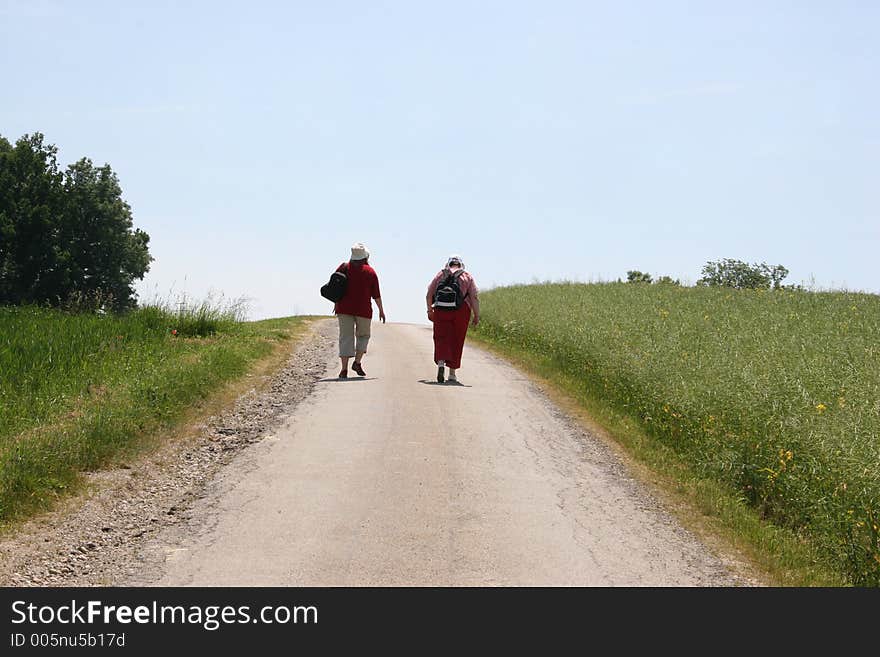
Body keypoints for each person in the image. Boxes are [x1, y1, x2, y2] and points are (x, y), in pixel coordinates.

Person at [334, 242, 385, 379]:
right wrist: (381, 310)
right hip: (363, 310)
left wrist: (336, 303)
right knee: (363, 336)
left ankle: (344, 370)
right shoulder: (370, 272)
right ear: (365, 257)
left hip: (343, 309)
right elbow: (376, 294)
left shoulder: (344, 267)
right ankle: (357, 362)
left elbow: (334, 285)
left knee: (345, 337)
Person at [426, 255, 480, 383]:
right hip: (461, 312)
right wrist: (476, 315)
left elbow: (429, 293)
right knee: (457, 339)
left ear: (448, 264)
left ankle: (440, 363)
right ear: (461, 265)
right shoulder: (467, 277)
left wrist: (429, 310)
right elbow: (474, 297)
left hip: (441, 310)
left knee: (441, 337)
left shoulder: (441, 275)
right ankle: (452, 373)